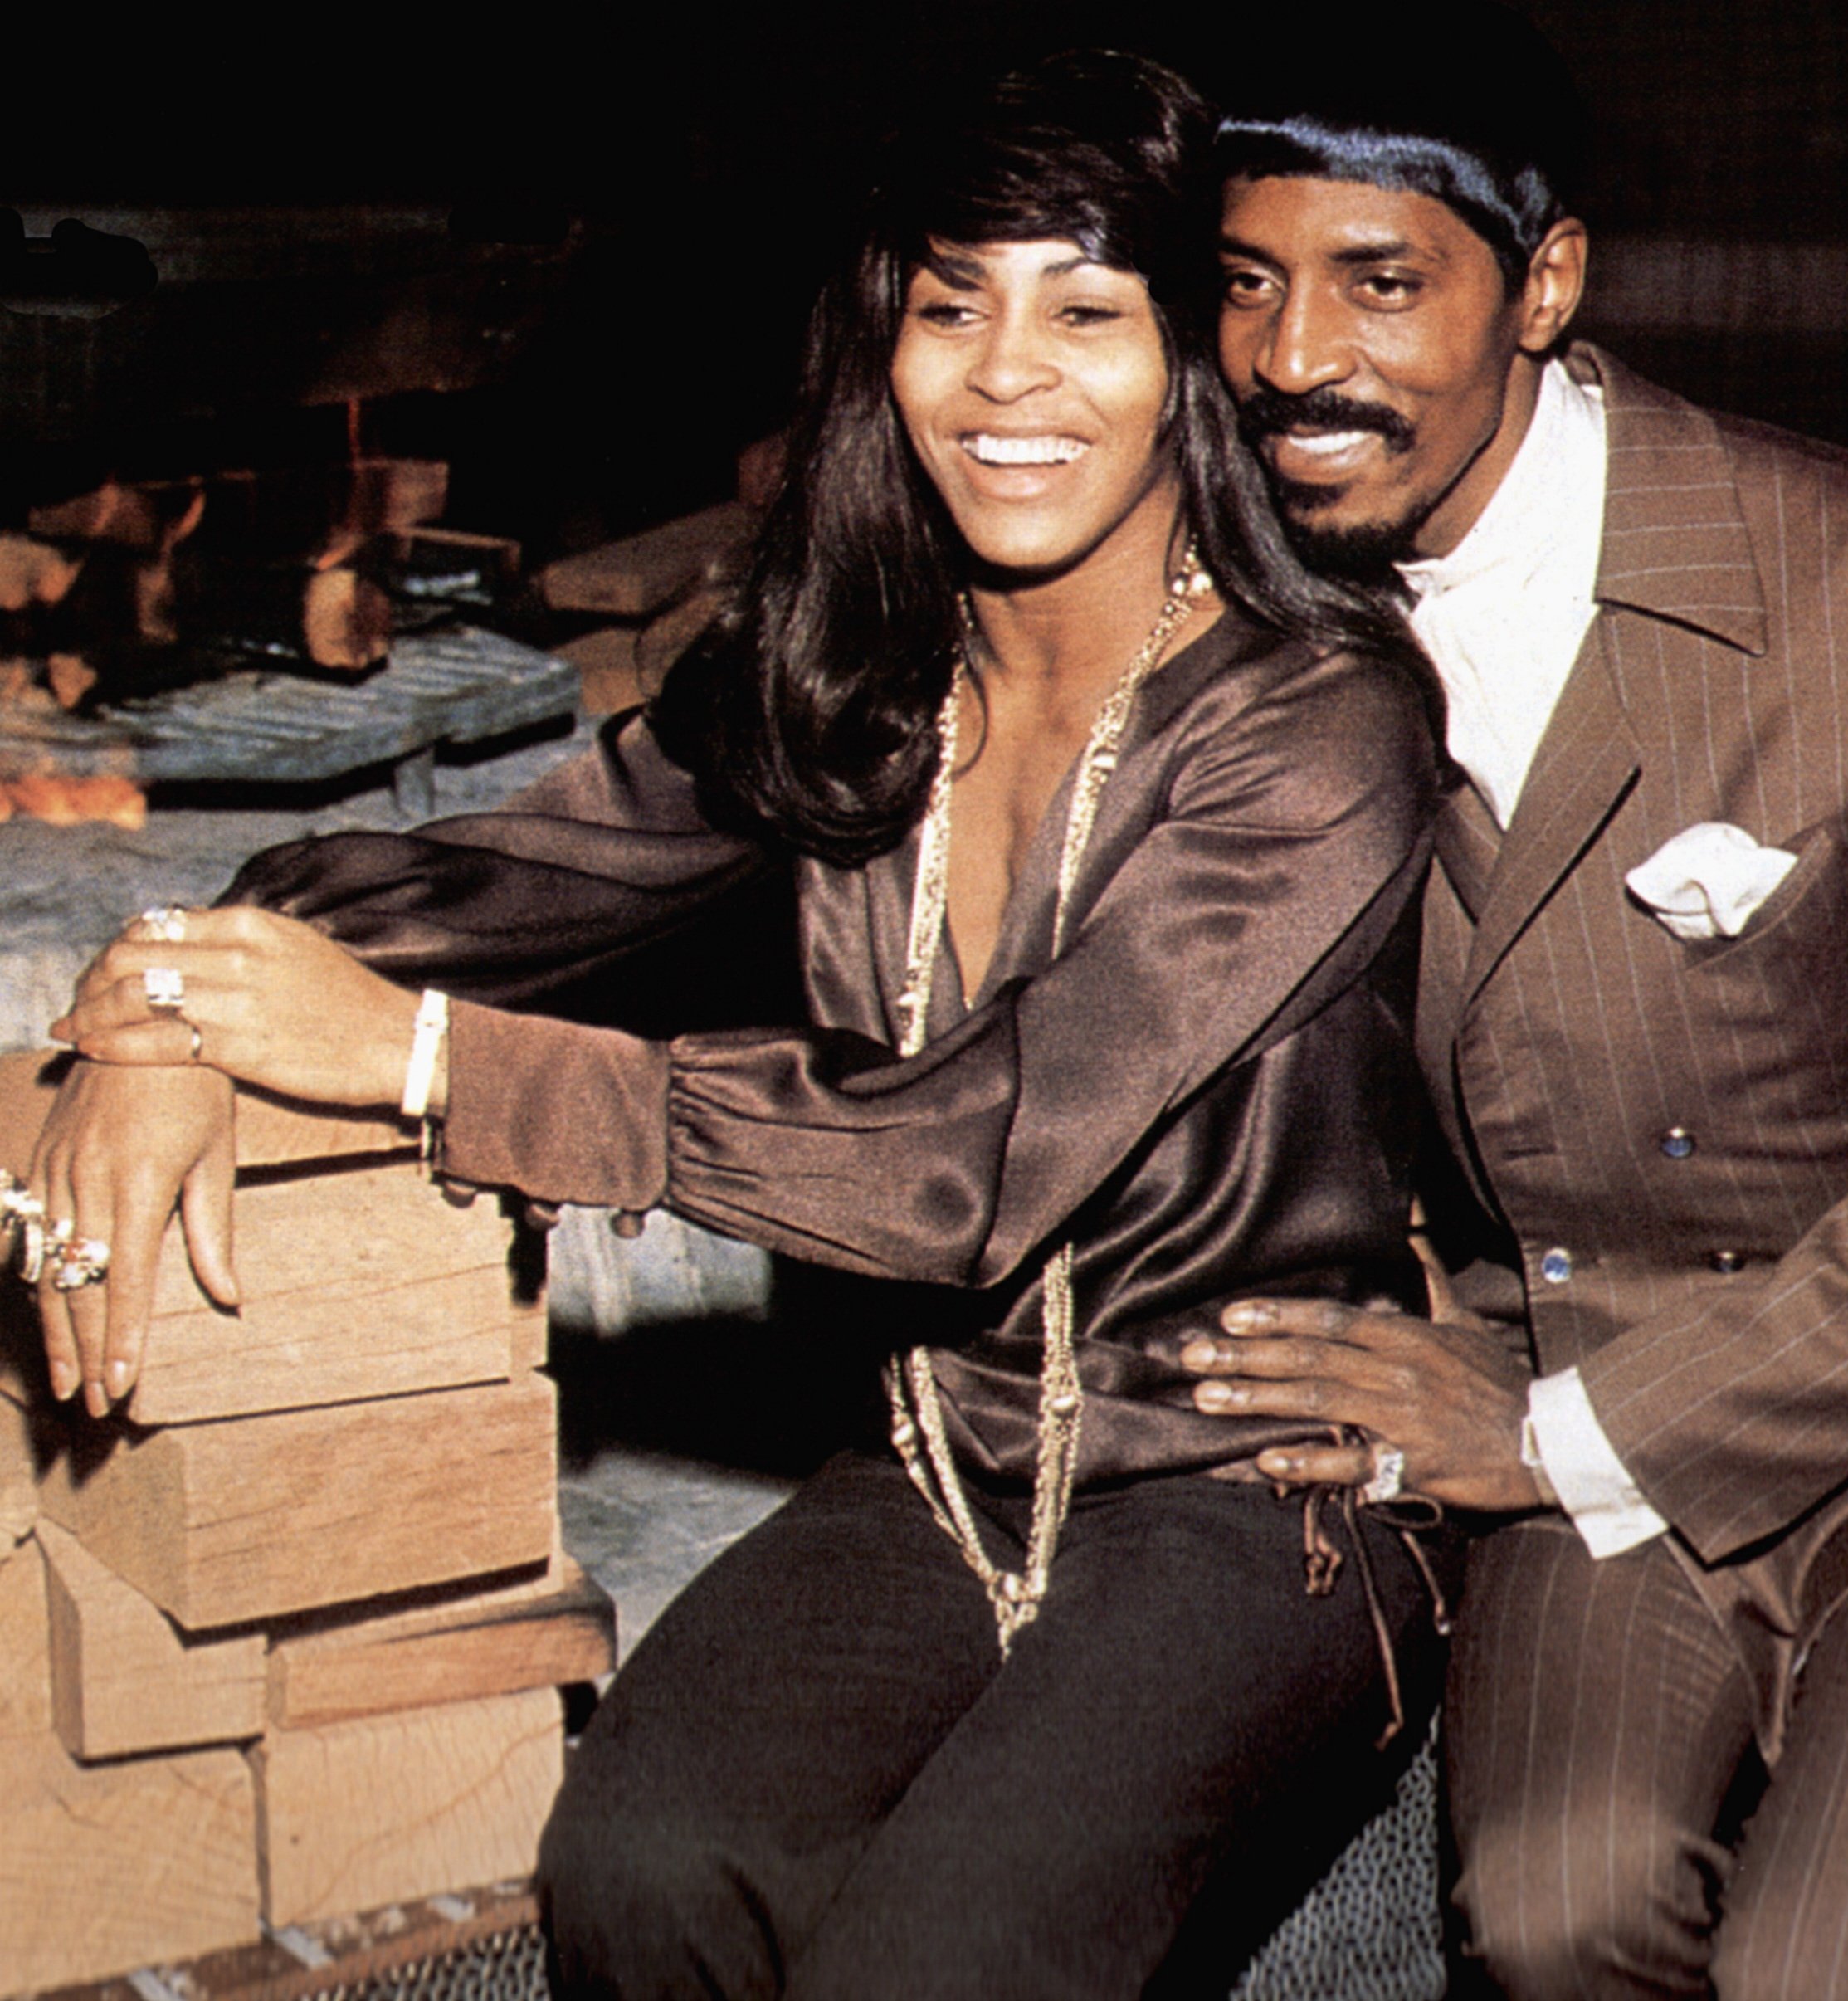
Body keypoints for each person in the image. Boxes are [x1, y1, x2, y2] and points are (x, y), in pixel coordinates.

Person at [18, 51, 1449, 1999]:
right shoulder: (855, 661)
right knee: (645, 1868)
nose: (1009, 376)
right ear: (887, 342)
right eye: (954, 306)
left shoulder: (1320, 720)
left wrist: (439, 1066)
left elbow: (971, 1163)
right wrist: (171, 999)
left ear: (1193, 351)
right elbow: (507, 873)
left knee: (950, 1954)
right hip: (944, 1453)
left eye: (1086, 312)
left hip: (1248, 1492)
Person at [1177, 15, 1848, 1999]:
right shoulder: (1249, 604)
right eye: (1248, 283)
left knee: (1837, 1966)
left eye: (1381, 282)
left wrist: (1545, 1437)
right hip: (1573, 1348)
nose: (1293, 360)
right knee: (1556, 1912)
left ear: (1545, 286)